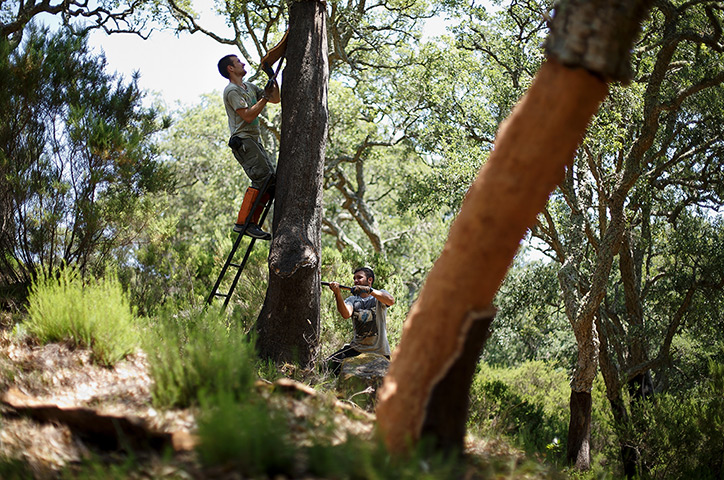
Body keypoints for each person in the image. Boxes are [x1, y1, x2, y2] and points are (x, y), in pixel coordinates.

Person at [217, 54, 281, 240]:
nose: (242, 63)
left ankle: (250, 223)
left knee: (270, 183)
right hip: (243, 141)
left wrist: (272, 79)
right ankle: (243, 224)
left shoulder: (250, 87)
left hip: (254, 141)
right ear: (230, 68)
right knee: (263, 179)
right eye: (238, 62)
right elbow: (248, 116)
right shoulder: (232, 91)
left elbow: (275, 99)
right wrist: (265, 98)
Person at [326, 267, 395, 375]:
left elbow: (390, 301)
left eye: (359, 277)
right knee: (327, 365)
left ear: (370, 280)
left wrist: (370, 291)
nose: (356, 281)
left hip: (379, 351)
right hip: (357, 349)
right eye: (354, 278)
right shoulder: (352, 300)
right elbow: (346, 314)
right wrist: (337, 293)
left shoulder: (379, 296)